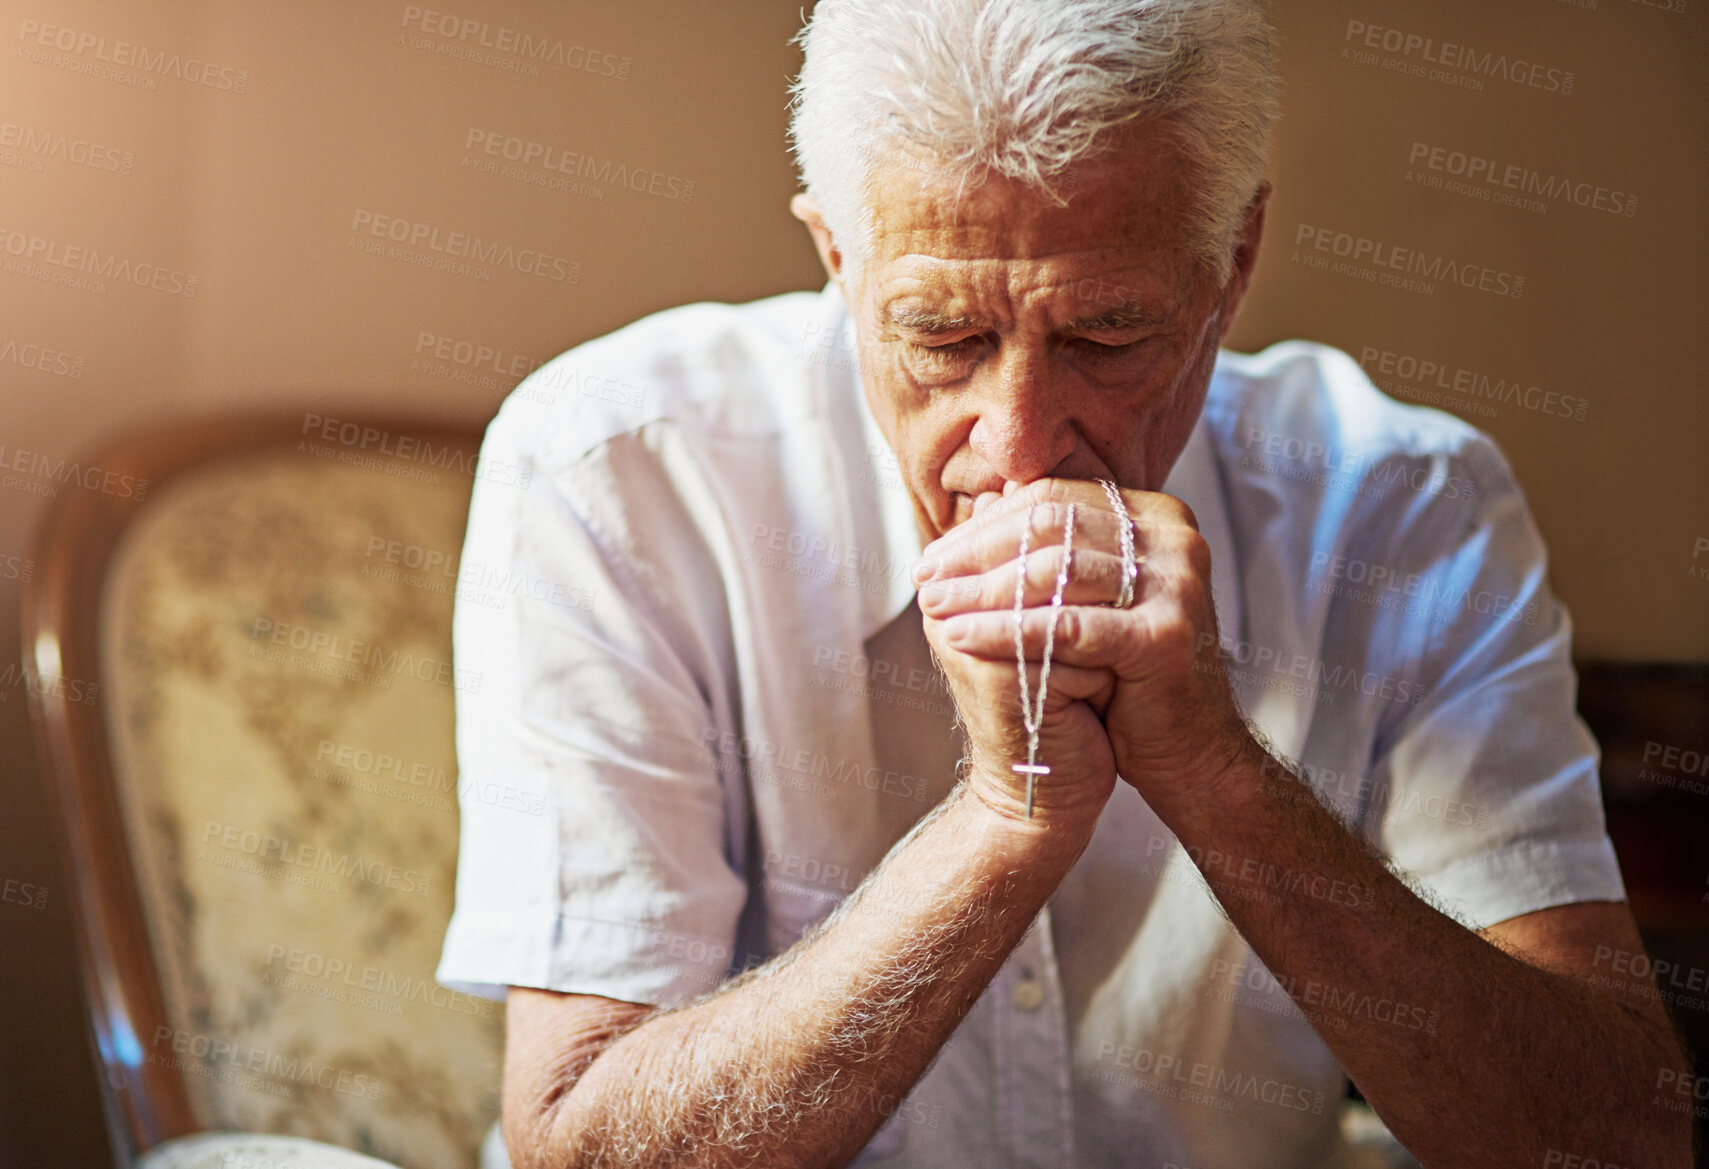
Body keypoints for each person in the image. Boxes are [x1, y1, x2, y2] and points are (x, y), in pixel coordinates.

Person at [436, 1, 1691, 1165]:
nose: (1021, 443)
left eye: (1107, 335)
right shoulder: (614, 468)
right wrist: (1003, 824)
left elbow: (1619, 1139)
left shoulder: (1405, 510)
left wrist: (1211, 767)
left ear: (1234, 259)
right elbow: (582, 1139)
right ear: (834, 256)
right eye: (940, 337)